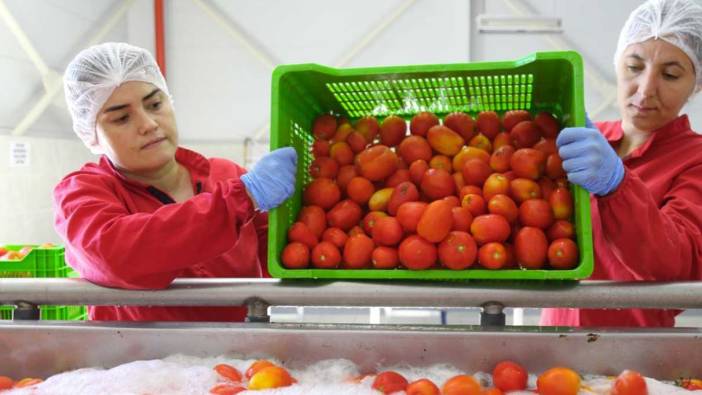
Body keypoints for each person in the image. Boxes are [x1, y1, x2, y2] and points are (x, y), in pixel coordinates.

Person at [53, 42, 297, 321]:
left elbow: (283, 257)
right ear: (91, 133)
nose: (148, 124)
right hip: (137, 361)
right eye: (121, 118)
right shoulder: (83, 191)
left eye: (155, 104)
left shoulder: (227, 176)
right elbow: (115, 255)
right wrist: (243, 198)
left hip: (241, 359)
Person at [542, 0, 702, 327]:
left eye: (670, 75)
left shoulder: (694, 160)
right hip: (551, 345)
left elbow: (678, 265)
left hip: (636, 357)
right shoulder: (585, 142)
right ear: (617, 64)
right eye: (634, 66)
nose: (645, 91)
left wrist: (618, 186)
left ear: (695, 85)